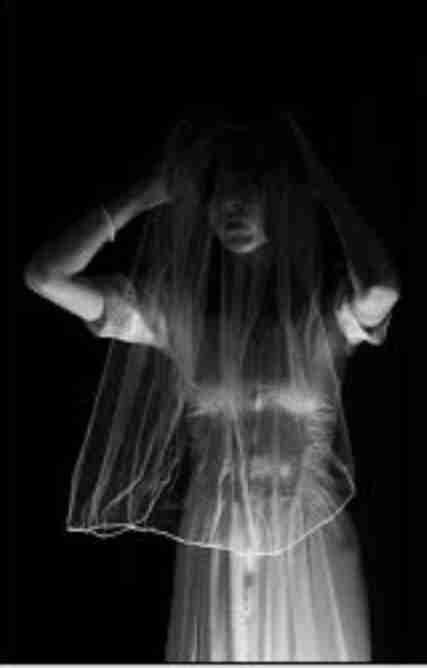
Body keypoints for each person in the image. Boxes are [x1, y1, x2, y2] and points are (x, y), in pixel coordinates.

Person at [24, 110, 400, 661]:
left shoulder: (322, 321)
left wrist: (323, 187)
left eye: (249, 188)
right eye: (219, 193)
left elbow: (382, 289)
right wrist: (142, 197)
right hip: (218, 534)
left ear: (281, 198)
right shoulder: (179, 321)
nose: (232, 205)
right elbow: (44, 276)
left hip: (308, 538)